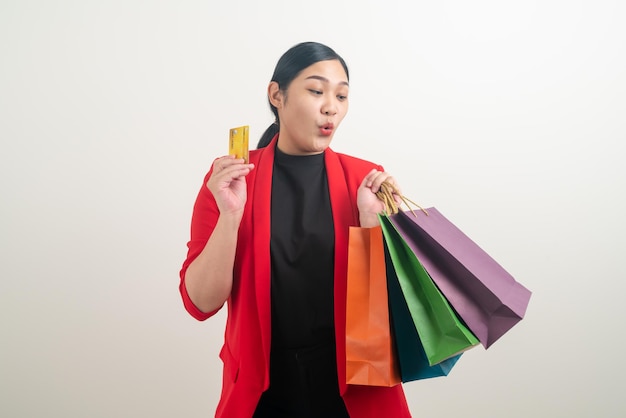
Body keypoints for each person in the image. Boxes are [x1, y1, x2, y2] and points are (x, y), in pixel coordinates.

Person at [179, 41, 412, 418]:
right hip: (263, 391)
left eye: (341, 95)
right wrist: (230, 216)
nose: (330, 107)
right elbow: (201, 303)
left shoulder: (365, 180)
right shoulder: (231, 179)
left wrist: (372, 226)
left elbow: (396, 309)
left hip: (355, 387)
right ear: (277, 95)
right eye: (316, 91)